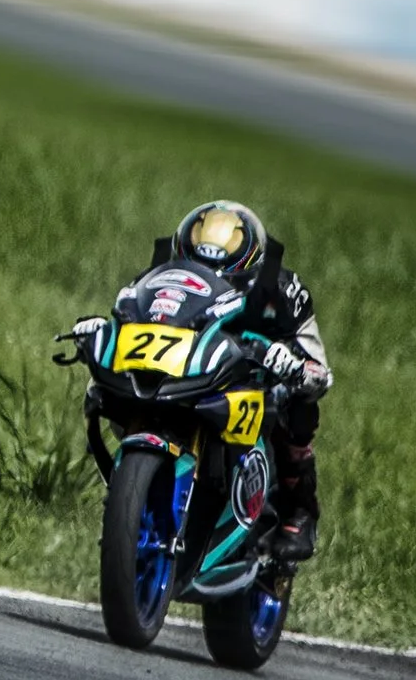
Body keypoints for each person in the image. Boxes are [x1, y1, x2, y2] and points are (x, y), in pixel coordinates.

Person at [73, 201, 330, 561]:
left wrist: (292, 363)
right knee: (109, 394)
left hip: (251, 379)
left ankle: (298, 512)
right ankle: (133, 495)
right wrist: (101, 331)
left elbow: (320, 372)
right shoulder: (161, 274)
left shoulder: (283, 290)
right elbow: (130, 313)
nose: (206, 274)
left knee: (294, 405)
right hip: (187, 371)